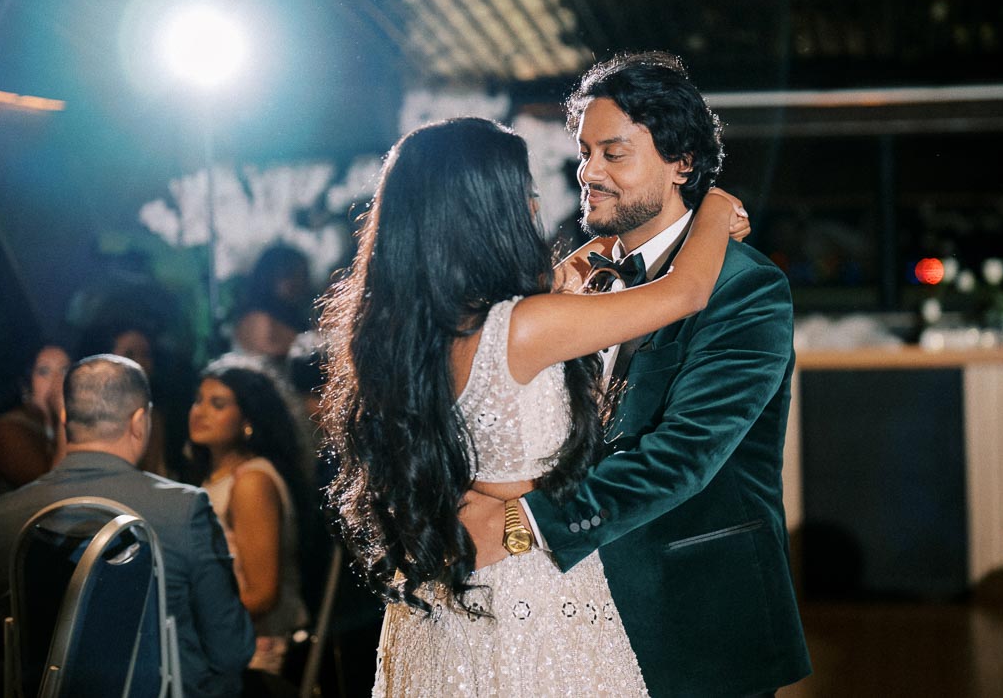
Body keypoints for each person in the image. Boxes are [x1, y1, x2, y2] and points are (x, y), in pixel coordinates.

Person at [320, 116, 746, 696]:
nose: (537, 204)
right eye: (525, 191)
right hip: (530, 594)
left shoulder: (401, 329)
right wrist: (716, 206)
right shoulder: (525, 327)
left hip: (445, 601)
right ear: (491, 209)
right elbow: (685, 292)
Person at [461, 52, 811, 697]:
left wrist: (524, 524)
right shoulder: (574, 278)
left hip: (692, 607)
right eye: (584, 152)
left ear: (682, 162)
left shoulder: (746, 287)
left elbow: (685, 454)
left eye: (613, 154)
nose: (587, 173)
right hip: (572, 612)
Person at [0, 355, 255, 698]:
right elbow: (232, 649)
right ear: (139, 422)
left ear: (65, 419)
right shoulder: (184, 508)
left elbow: (4, 644)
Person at [186, 355, 310, 678]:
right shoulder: (217, 477)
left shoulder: (251, 482)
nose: (200, 412)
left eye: (218, 404)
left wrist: (189, 619)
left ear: (247, 419)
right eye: (198, 400)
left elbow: (263, 593)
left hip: (255, 655)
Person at [0, 344, 69, 494]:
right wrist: (63, 411)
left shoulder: (78, 426)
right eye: (44, 371)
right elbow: (51, 492)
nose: (59, 381)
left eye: (65, 370)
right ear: (26, 385)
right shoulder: (5, 429)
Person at [232, 243, 314, 361]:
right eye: (291, 274)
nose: (299, 282)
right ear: (269, 277)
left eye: (303, 275)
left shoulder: (294, 314)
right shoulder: (257, 319)